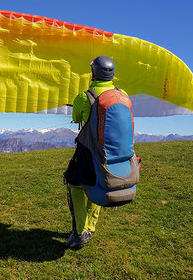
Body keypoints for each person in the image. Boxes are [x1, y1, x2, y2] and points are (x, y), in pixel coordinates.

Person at [65, 55, 128, 249]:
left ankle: (79, 232)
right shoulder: (123, 94)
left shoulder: (85, 96)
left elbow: (76, 117)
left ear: (93, 73)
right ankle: (90, 227)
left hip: (88, 152)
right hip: (113, 152)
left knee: (74, 184)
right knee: (100, 183)